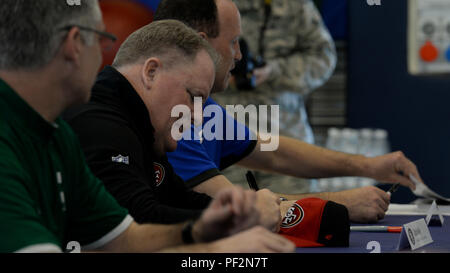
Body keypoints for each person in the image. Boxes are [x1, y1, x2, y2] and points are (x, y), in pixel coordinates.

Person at [0, 0, 294, 253]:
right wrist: (214, 251)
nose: (194, 117)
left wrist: (201, 231)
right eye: (102, 40)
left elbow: (122, 237)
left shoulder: (57, 135)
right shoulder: (84, 127)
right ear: (75, 45)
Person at [156, 0, 425, 223]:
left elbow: (272, 152)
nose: (238, 56)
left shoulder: (201, 106)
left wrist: (369, 166)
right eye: (233, 42)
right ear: (201, 45)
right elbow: (232, 207)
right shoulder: (174, 116)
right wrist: (341, 202)